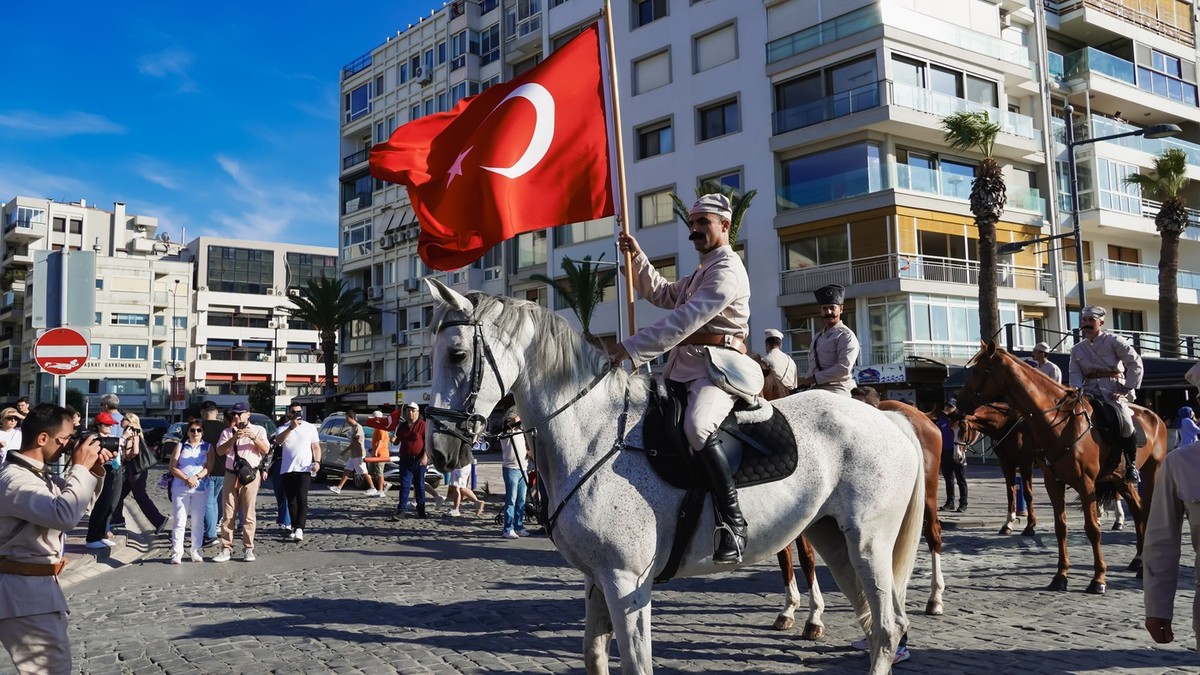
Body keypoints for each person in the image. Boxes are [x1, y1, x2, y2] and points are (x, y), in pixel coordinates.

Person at [608, 193, 751, 564]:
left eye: (704, 223)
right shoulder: (701, 272)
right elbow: (661, 293)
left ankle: (733, 522)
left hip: (715, 368)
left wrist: (630, 348)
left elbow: (685, 320)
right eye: (692, 223)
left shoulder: (727, 270)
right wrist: (636, 257)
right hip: (682, 368)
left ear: (725, 225)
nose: (695, 230)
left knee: (698, 427)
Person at [0, 403, 114, 674]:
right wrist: (79, 468)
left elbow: (79, 505)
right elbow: (64, 516)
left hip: (33, 590)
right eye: (66, 439)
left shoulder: (36, 474)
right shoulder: (16, 480)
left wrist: (93, 470)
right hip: (25, 596)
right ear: (43, 438)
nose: (68, 446)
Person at [1069, 305, 1144, 482]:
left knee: (1125, 422)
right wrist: (1077, 391)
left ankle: (1131, 465)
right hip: (1088, 391)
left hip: (1113, 390)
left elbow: (1135, 363)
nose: (1087, 323)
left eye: (1091, 320)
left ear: (1101, 323)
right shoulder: (1077, 349)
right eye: (1084, 320)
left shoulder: (1114, 341)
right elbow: (1074, 373)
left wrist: (1126, 388)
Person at [1143, 425, 1200, 651]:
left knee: (1123, 421)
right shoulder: (1181, 462)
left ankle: (1128, 460)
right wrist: (1157, 606)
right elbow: (1161, 540)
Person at [212, 402, 270, 563]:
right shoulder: (227, 432)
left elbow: (266, 450)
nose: (237, 417)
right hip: (231, 474)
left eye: (240, 413)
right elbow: (219, 451)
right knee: (228, 513)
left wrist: (253, 438)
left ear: (248, 414)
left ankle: (248, 548)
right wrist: (233, 438)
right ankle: (226, 548)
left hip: (250, 475)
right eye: (234, 414)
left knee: (249, 513)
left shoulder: (259, 430)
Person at [797, 284, 860, 396]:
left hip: (838, 388)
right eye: (825, 308)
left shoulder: (846, 336)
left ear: (841, 309)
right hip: (815, 388)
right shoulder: (818, 337)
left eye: (832, 308)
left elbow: (843, 368)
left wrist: (814, 378)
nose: (829, 312)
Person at [167, 419, 214, 564]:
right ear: (187, 432)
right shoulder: (181, 446)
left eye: (199, 430)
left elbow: (209, 467)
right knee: (179, 520)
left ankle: (195, 550)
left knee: (197, 521)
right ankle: (177, 552)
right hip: (181, 487)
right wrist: (186, 478)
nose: (196, 433)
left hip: (200, 487)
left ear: (203, 432)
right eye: (192, 430)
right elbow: (172, 466)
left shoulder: (208, 447)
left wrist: (196, 477)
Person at [112, 413, 167, 536]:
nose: (121, 420)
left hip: (136, 470)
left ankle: (159, 520)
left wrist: (126, 457)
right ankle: (117, 519)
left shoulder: (132, 433)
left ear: (130, 421)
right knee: (118, 494)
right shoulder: (133, 432)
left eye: (124, 419)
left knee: (140, 496)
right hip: (133, 470)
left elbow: (135, 451)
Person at [274, 403, 321, 542]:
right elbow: (278, 441)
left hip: (304, 468)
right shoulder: (283, 428)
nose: (297, 414)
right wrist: (291, 427)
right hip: (288, 468)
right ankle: (294, 526)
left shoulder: (310, 427)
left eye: (299, 412)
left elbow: (316, 446)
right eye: (294, 412)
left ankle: (300, 527)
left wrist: (317, 462)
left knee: (302, 498)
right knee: (291, 500)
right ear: (289, 413)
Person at [84, 412, 124, 549]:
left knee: (111, 504)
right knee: (102, 504)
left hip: (116, 469)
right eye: (107, 425)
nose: (110, 427)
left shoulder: (112, 438)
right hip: (103, 470)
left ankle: (101, 534)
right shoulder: (94, 440)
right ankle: (92, 537)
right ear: (98, 425)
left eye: (111, 425)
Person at [390, 402, 428, 520]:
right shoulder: (402, 426)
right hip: (405, 460)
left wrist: (425, 457)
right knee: (404, 486)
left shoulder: (423, 425)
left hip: (418, 460)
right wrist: (394, 439)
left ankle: (421, 510)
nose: (410, 413)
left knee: (420, 486)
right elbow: (397, 441)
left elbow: (427, 443)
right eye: (408, 411)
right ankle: (401, 510)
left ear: (417, 412)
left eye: (413, 411)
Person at [198, 401, 226, 546]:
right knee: (213, 501)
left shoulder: (198, 428)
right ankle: (212, 529)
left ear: (202, 412)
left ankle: (211, 535)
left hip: (205, 470)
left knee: (207, 503)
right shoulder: (225, 428)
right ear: (216, 412)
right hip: (223, 469)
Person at [500, 408, 531, 539]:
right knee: (511, 499)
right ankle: (508, 528)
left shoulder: (520, 432)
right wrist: (523, 412)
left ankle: (519, 526)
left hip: (523, 468)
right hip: (511, 469)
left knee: (521, 500)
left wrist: (528, 453)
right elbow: (513, 421)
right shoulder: (507, 429)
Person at [329, 411, 376, 496]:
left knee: (364, 471)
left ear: (352, 418)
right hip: (353, 453)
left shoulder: (358, 427)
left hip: (359, 453)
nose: (346, 420)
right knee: (347, 470)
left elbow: (355, 442)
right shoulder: (353, 427)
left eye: (347, 418)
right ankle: (339, 487)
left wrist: (345, 450)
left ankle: (372, 488)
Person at [937, 400, 968, 513]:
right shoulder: (941, 419)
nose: (947, 408)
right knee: (948, 479)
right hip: (945, 452)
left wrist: (965, 447)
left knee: (961, 479)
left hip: (957, 451)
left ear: (955, 408)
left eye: (950, 406)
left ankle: (963, 503)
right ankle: (950, 502)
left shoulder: (960, 420)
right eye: (946, 405)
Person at [363, 410, 391, 496]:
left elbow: (381, 440)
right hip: (376, 454)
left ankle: (381, 490)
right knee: (372, 472)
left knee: (379, 473)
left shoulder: (381, 428)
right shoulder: (377, 427)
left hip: (381, 454)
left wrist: (376, 451)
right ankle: (385, 484)